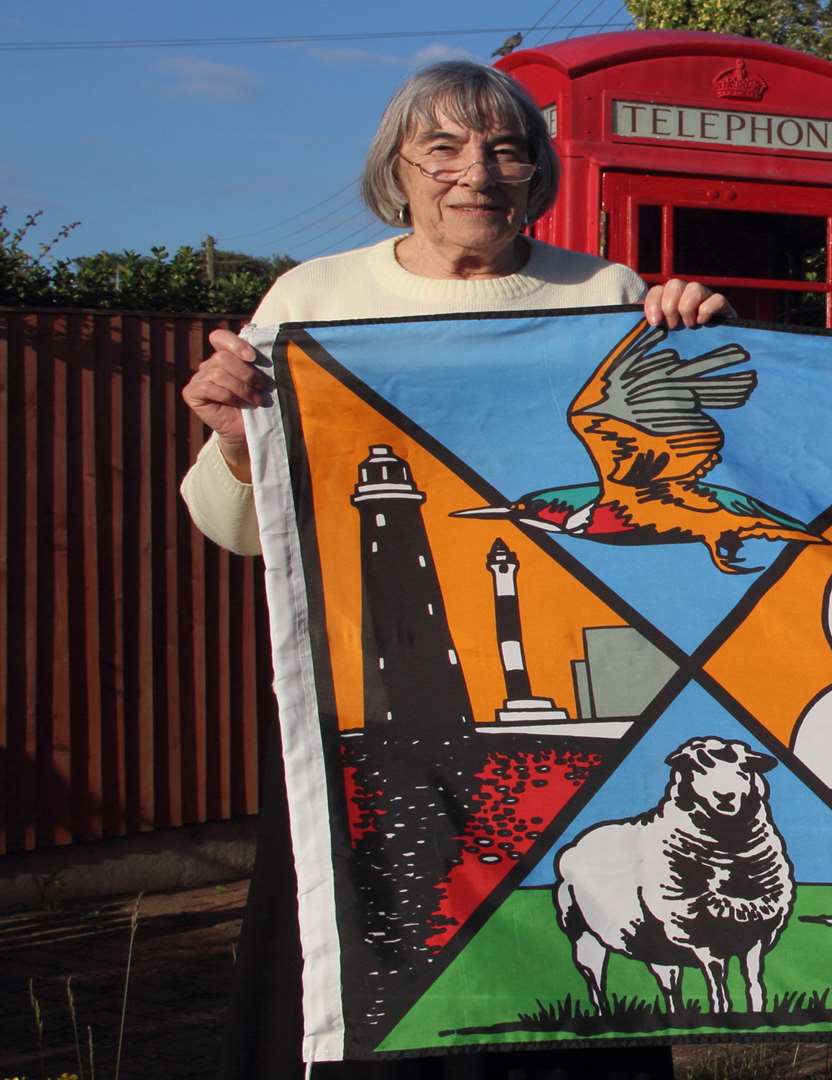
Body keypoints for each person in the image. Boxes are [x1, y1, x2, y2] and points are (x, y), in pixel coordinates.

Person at [180, 60, 733, 1079]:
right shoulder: (312, 299)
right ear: (398, 168)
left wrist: (699, 338)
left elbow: (670, 499)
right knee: (371, 944)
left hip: (544, 681)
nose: (474, 171)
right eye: (442, 148)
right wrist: (232, 442)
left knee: (550, 958)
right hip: (359, 691)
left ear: (536, 173)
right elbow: (243, 534)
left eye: (505, 149)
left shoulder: (606, 295)